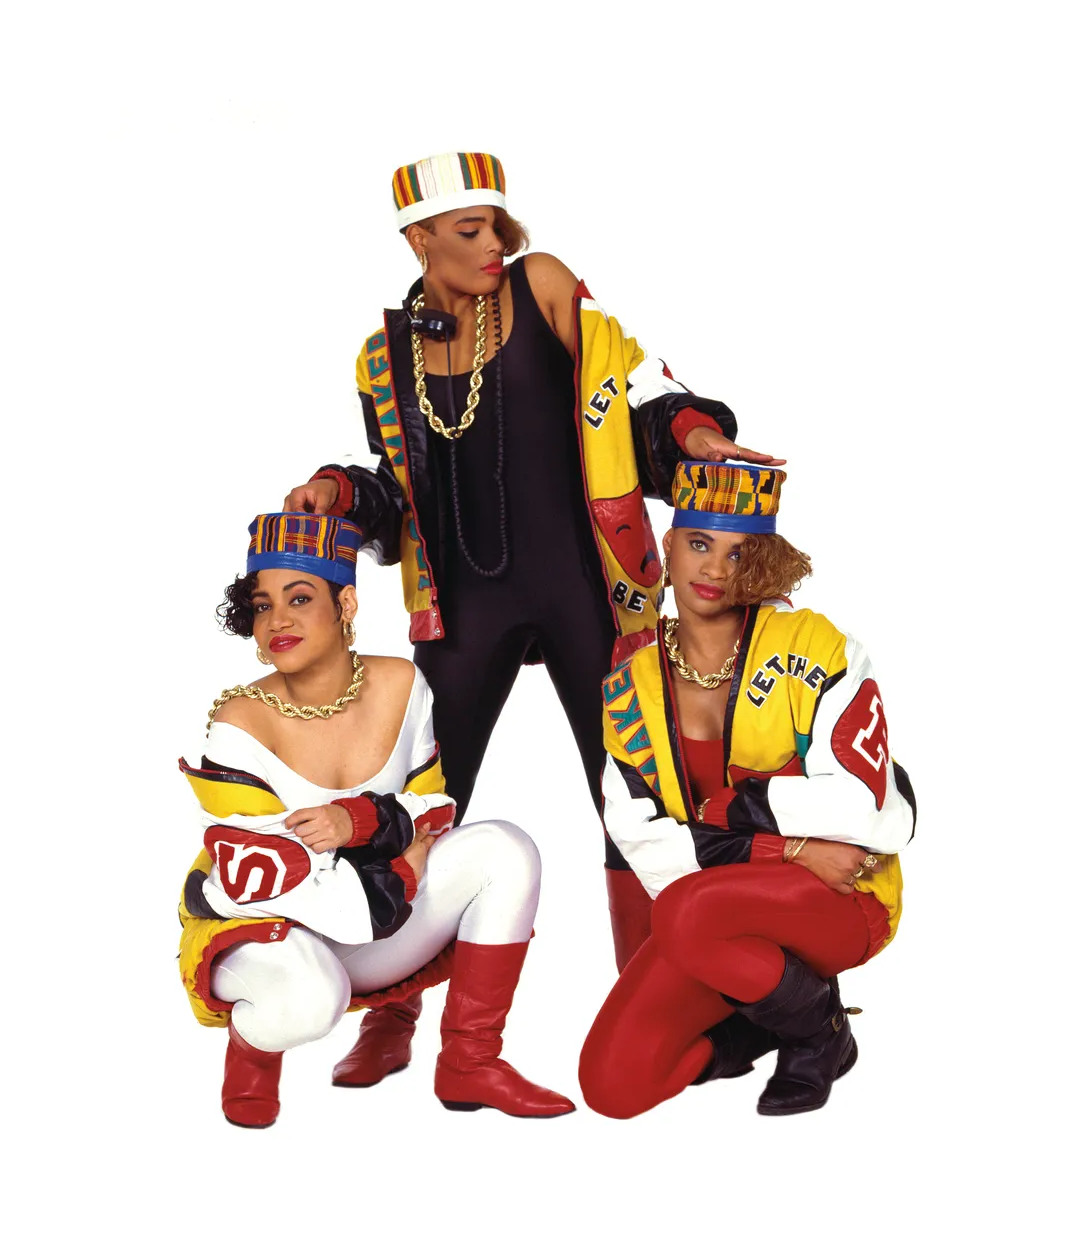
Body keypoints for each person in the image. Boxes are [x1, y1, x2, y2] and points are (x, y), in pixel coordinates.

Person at [282, 149, 781, 1081]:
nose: (495, 243)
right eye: (470, 229)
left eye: (499, 224)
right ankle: (392, 1014)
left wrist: (694, 435)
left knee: (635, 793)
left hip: (587, 587)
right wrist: (336, 493)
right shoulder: (382, 354)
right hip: (462, 605)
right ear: (418, 238)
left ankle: (659, 993)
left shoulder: (541, 285)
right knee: (417, 803)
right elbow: (401, 493)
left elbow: (627, 400)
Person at [177, 511, 574, 1126]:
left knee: (505, 849)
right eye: (262, 605)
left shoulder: (401, 682)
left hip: (372, 921)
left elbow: (436, 809)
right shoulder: (237, 725)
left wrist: (356, 820)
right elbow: (285, 882)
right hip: (266, 933)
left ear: (347, 603)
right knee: (312, 1000)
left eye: (300, 597)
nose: (277, 619)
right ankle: (254, 1051)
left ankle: (470, 1061)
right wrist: (405, 858)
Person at [578, 460, 916, 1118]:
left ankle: (820, 1031)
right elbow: (646, 846)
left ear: (762, 562)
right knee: (613, 1085)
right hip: (719, 914)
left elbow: (866, 810)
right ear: (667, 545)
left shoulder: (818, 648)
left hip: (843, 899)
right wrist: (784, 849)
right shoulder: (628, 681)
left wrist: (738, 809)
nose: (714, 569)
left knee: (684, 913)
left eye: (739, 553)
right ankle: (771, 1020)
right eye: (699, 543)